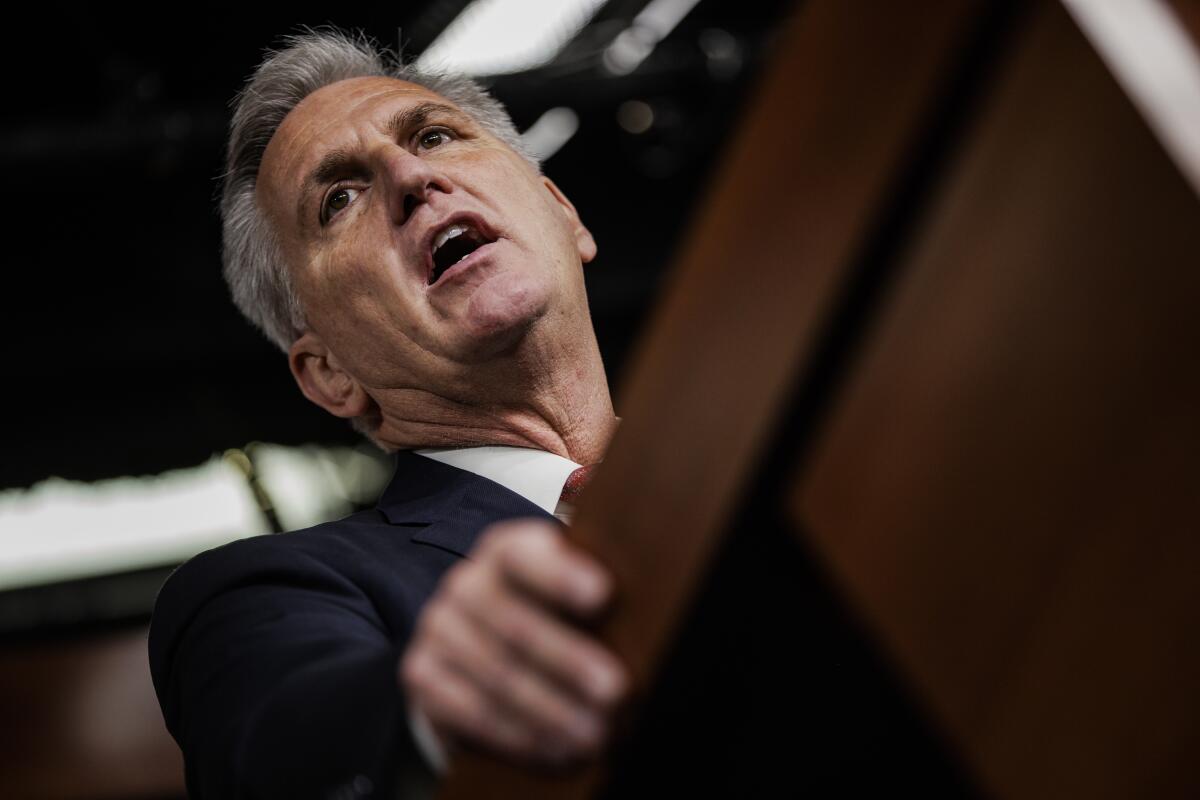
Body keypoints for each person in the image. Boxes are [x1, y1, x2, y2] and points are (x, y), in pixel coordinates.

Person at [148, 29, 630, 799]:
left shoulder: (753, 445)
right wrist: (427, 713)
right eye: (338, 198)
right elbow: (283, 743)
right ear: (329, 373)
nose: (412, 176)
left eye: (435, 136)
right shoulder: (260, 592)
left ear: (561, 211)